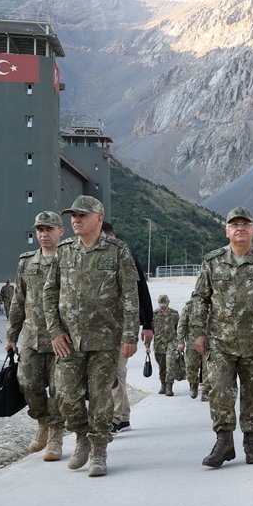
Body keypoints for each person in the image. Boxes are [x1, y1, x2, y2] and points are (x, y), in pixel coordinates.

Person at [43, 195, 139, 478]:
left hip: (105, 340)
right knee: (66, 395)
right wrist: (55, 331)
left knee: (100, 398)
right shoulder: (64, 251)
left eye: (82, 215)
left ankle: (99, 450)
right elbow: (50, 293)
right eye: (73, 215)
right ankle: (82, 436)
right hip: (69, 341)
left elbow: (130, 296)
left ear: (99, 218)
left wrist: (129, 335)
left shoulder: (118, 252)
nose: (75, 219)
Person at [190, 206, 253, 468]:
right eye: (235, 225)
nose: (240, 228)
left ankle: (251, 440)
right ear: (227, 231)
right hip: (220, 343)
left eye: (245, 224)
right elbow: (200, 298)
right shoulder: (212, 261)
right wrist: (198, 332)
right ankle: (224, 441)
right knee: (220, 392)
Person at [7, 212, 69, 461]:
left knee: (59, 389)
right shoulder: (26, 262)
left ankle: (56, 434)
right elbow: (18, 299)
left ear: (61, 231)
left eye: (49, 229)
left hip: (62, 339)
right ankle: (42, 422)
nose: (43, 234)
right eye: (39, 230)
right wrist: (12, 334)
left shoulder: (68, 260)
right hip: (32, 337)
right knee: (28, 384)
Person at [102, 221, 154, 433]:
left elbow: (142, 291)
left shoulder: (125, 255)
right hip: (103, 328)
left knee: (115, 372)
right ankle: (122, 417)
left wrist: (148, 324)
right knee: (114, 373)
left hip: (123, 326)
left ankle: (117, 418)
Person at [176, 298, 207, 401]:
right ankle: (193, 384)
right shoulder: (189, 306)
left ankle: (206, 390)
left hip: (209, 341)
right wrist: (180, 342)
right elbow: (182, 325)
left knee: (208, 367)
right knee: (191, 366)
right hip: (192, 342)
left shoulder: (212, 304)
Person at [152, 294, 180, 396]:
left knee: (170, 364)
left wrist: (180, 342)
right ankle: (163, 384)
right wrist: (147, 346)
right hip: (159, 344)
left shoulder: (175, 314)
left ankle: (169, 386)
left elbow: (179, 328)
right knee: (162, 366)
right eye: (161, 305)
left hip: (171, 342)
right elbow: (150, 331)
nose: (163, 306)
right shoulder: (154, 314)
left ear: (168, 303)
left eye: (164, 304)